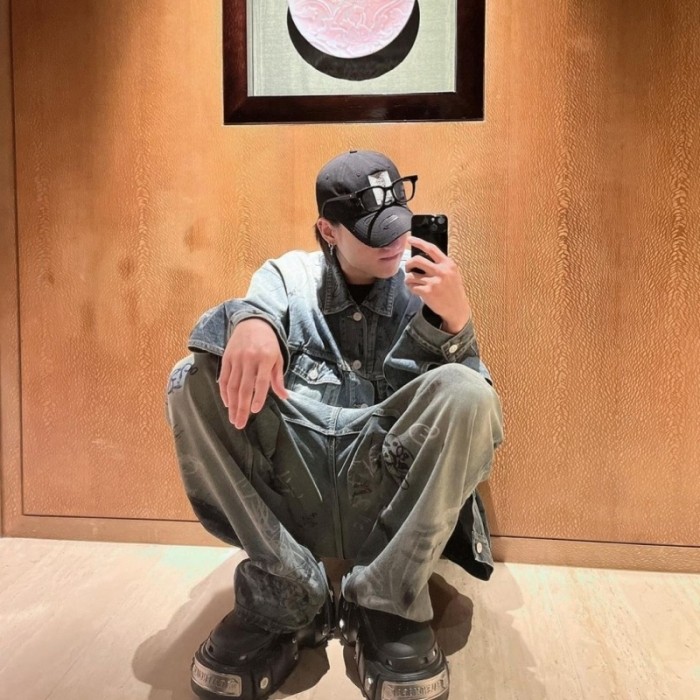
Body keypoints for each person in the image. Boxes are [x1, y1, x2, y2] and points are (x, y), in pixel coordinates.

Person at [166, 149, 504, 700]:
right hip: (297, 483)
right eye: (375, 233)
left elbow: (473, 418)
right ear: (328, 230)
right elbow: (244, 319)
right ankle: (287, 593)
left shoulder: (426, 287)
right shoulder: (288, 278)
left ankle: (383, 601)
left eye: (399, 224)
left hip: (386, 483)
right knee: (190, 378)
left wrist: (459, 325)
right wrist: (249, 321)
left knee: (469, 392)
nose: (396, 243)